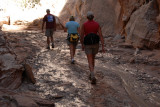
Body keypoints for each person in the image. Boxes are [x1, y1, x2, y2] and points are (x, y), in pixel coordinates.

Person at [80, 11, 105, 84]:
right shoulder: (97, 24)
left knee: (89, 59)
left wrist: (82, 44)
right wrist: (103, 46)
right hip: (95, 43)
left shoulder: (84, 25)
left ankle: (92, 74)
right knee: (93, 58)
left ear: (87, 17)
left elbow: (81, 35)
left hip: (87, 44)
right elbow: (100, 35)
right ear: (93, 17)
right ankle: (91, 73)